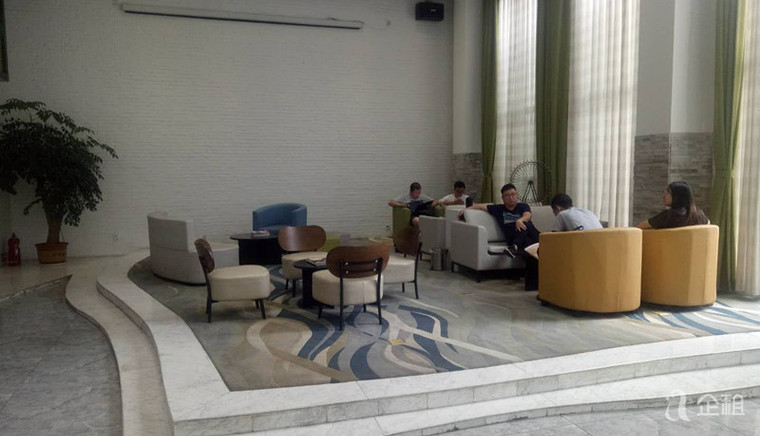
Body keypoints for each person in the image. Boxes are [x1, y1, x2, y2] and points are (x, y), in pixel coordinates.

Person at [458, 183, 539, 257]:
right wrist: (466, 209)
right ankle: (535, 244)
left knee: (526, 224)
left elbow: (527, 215)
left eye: (513, 194)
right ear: (503, 198)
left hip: (528, 236)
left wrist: (519, 220)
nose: (511, 197)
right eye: (507, 195)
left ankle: (514, 247)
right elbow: (480, 206)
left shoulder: (523, 206)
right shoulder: (499, 209)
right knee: (529, 245)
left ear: (517, 195)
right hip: (512, 237)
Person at [636, 181, 709, 229]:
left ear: (677, 197)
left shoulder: (669, 215)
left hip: (665, 249)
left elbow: (639, 227)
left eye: (668, 192)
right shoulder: (699, 214)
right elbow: (708, 226)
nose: (664, 196)